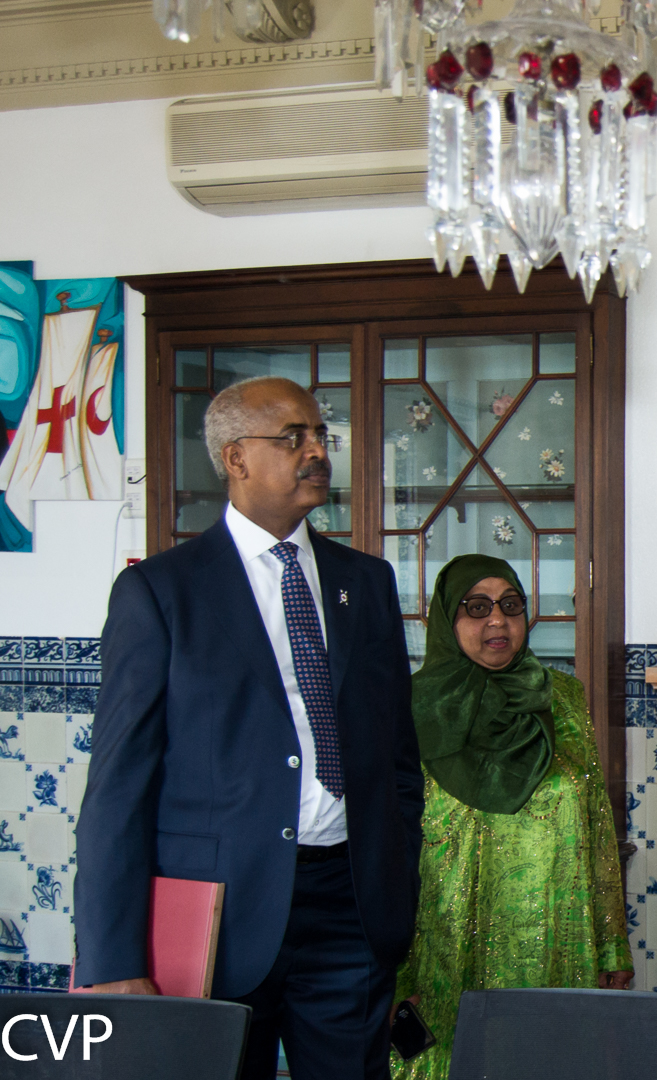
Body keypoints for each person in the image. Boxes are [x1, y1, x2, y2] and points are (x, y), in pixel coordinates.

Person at [74, 376, 423, 1080]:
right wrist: (112, 958)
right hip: (217, 914)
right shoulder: (161, 592)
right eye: (293, 438)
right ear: (235, 457)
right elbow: (117, 787)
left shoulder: (366, 582)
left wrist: (395, 879)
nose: (317, 451)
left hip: (350, 907)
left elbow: (396, 757)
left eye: (320, 435)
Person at [392, 554, 632, 1079]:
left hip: (557, 944)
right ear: (446, 619)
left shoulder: (562, 698)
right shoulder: (410, 708)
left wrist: (611, 945)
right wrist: (393, 974)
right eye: (476, 607)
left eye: (511, 605)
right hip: (444, 952)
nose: (498, 620)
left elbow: (595, 824)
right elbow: (388, 849)